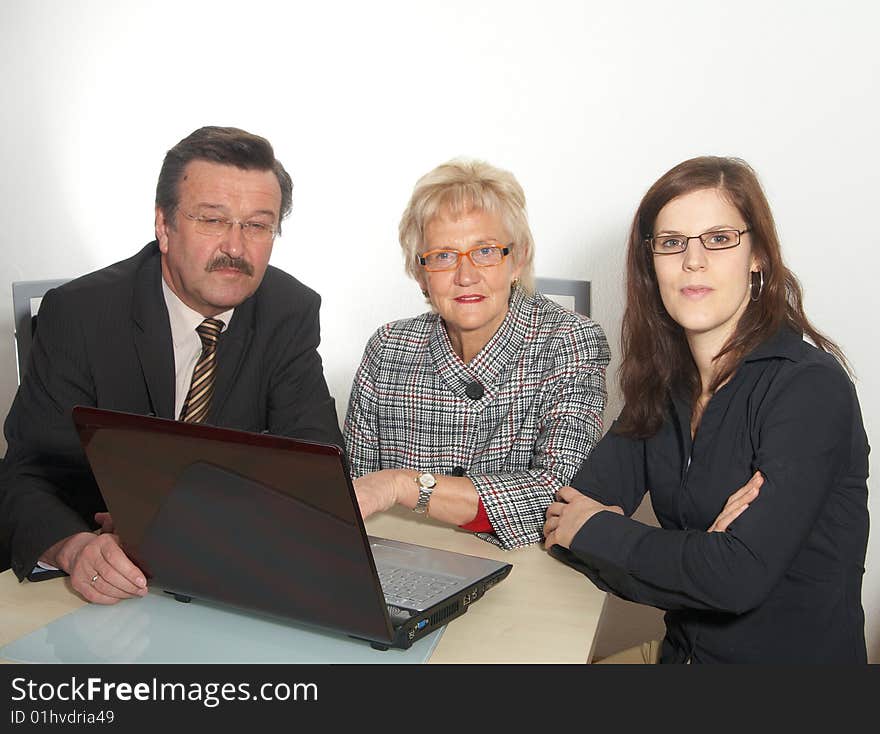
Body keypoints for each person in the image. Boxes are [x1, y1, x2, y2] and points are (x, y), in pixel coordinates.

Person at [544, 156, 869, 663]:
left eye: (718, 239)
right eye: (672, 242)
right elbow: (562, 517)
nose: (692, 261)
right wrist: (699, 558)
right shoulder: (664, 387)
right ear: (651, 264)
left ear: (757, 255)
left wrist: (601, 531)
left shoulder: (809, 389)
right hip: (682, 658)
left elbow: (735, 580)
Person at [0, 126, 343, 604]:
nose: (236, 249)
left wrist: (178, 517)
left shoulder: (288, 311)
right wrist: (73, 549)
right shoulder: (80, 314)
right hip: (103, 588)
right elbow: (26, 474)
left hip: (226, 576)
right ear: (164, 226)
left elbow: (316, 471)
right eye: (212, 220)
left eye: (257, 225)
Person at [345, 159, 610, 549]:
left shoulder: (569, 341)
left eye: (485, 251)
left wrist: (404, 485)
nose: (466, 275)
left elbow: (560, 496)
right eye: (443, 256)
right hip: (401, 566)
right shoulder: (387, 348)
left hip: (525, 575)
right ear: (421, 273)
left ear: (516, 259)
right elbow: (358, 498)